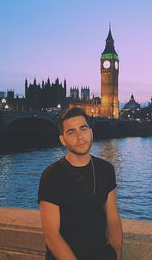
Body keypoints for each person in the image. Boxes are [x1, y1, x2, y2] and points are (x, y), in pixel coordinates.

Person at [38, 108, 123, 260]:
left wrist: (117, 254)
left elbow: (113, 220)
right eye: (71, 132)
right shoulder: (51, 176)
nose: (80, 137)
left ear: (91, 132)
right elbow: (51, 236)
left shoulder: (106, 169)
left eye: (83, 129)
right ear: (63, 140)